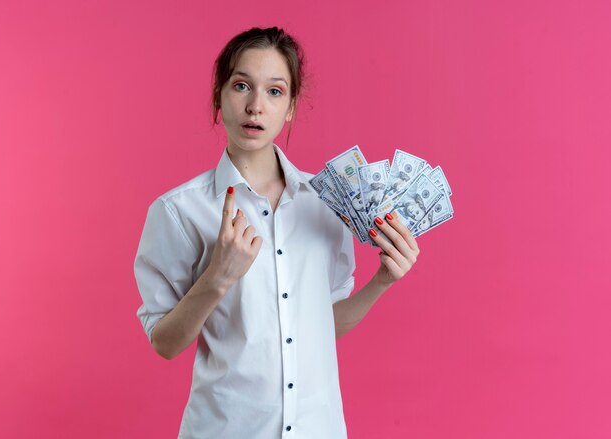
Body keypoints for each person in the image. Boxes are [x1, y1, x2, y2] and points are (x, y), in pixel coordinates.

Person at [134, 26, 420, 439]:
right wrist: (218, 277)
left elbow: (322, 324)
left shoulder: (325, 205)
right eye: (241, 85)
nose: (255, 106)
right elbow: (165, 343)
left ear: (290, 107)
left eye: (274, 91)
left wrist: (381, 282)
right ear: (219, 95)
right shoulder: (179, 212)